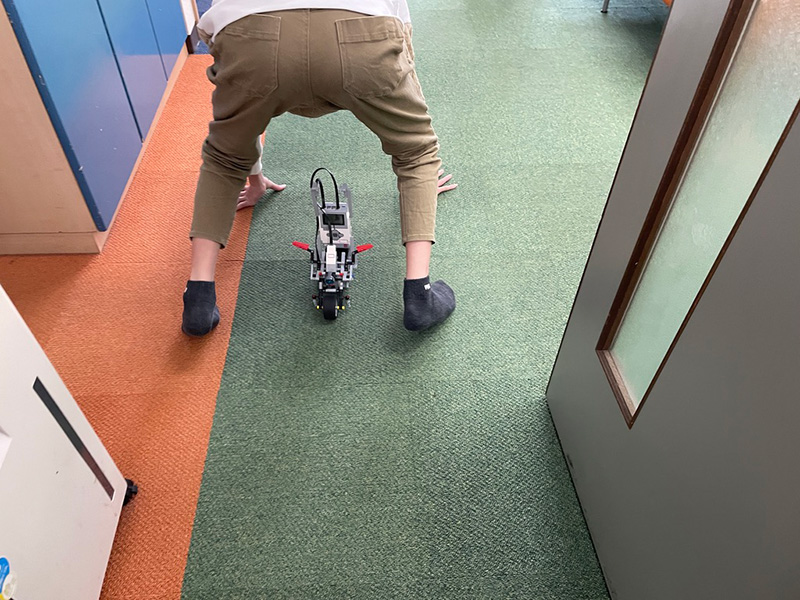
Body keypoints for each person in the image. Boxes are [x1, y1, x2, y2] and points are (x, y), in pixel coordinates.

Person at [182, 0, 458, 337]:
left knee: (224, 159)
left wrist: (252, 178)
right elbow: (403, 37)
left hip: (252, 38)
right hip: (361, 34)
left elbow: (220, 45)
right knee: (416, 154)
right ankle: (419, 294)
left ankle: (198, 298)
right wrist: (419, 180)